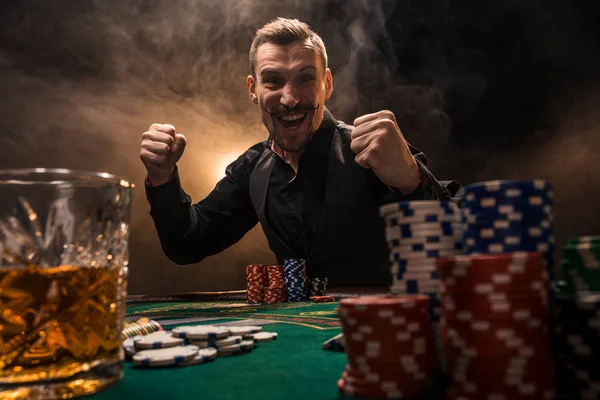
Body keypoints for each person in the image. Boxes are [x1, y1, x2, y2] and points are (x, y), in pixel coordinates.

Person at [140, 18, 460, 287]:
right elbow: (186, 244)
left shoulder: (371, 148)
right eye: (273, 81)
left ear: (327, 84)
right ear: (254, 90)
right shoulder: (251, 167)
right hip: (294, 343)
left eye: (305, 78)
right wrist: (162, 178)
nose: (290, 98)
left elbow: (461, 243)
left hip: (380, 332)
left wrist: (413, 180)